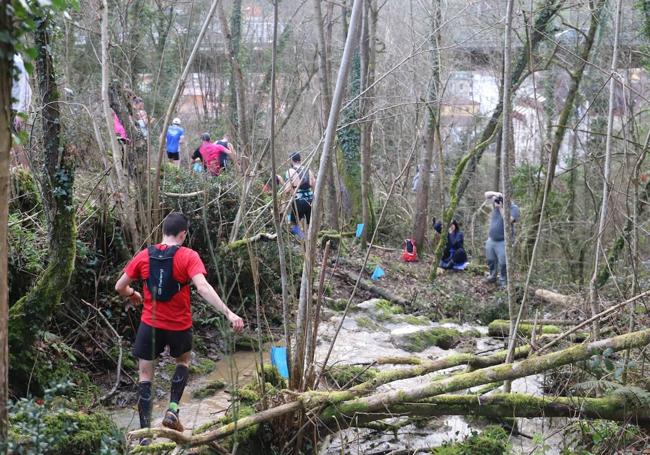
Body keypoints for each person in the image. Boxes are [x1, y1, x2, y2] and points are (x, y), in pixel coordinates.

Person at [114, 212, 244, 443]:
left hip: (149, 325)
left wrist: (134, 294)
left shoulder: (144, 255)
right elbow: (203, 287)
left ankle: (145, 436)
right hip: (179, 326)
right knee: (182, 362)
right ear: (183, 234)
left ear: (163, 232)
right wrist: (228, 312)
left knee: (145, 375)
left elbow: (119, 286)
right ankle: (173, 408)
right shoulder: (188, 256)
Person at [484, 191, 520, 286]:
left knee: (503, 263)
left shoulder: (514, 208)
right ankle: (492, 276)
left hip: (504, 241)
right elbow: (486, 194)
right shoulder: (498, 202)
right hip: (491, 239)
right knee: (490, 260)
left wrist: (500, 208)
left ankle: (503, 281)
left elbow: (509, 220)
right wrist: (497, 194)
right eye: (504, 195)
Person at [283, 152, 315, 239]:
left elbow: (287, 189)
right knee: (309, 224)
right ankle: (309, 241)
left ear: (292, 160)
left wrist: (284, 200)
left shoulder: (290, 171)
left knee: (293, 223)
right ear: (300, 159)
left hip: (299, 201)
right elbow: (314, 184)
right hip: (311, 200)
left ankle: (302, 238)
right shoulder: (308, 170)